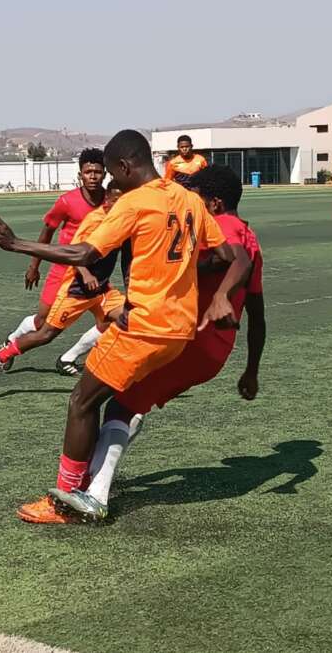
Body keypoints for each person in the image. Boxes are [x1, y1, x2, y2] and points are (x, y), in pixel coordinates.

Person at [0, 129, 250, 525]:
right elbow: (230, 255)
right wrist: (202, 284)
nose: (109, 182)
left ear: (124, 166)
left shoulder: (135, 203)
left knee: (81, 401)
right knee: (115, 403)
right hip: (179, 331)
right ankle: (92, 483)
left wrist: (17, 244)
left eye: (111, 173)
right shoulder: (187, 198)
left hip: (144, 327)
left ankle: (66, 500)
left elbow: (84, 252)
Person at [50, 164, 267, 522]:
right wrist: (251, 370)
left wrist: (219, 295)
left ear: (212, 203)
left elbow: (235, 261)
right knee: (129, 403)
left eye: (196, 196)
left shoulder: (223, 228)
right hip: (214, 353)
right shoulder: (251, 236)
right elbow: (257, 313)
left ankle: (95, 494)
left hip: (188, 338)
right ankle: (95, 481)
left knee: (112, 404)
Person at [0, 184, 127, 386]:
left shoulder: (122, 219)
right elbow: (73, 250)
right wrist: (85, 273)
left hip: (102, 289)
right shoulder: (94, 220)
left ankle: (72, 359)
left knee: (127, 318)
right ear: (108, 200)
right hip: (77, 290)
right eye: (116, 200)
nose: (120, 204)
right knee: (45, 333)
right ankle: (1, 355)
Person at [1, 148, 107, 376]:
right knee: (42, 321)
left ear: (105, 173)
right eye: (88, 171)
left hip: (96, 275)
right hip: (64, 270)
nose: (93, 176)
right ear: (80, 174)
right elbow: (47, 233)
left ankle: (68, 358)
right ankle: (12, 340)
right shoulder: (66, 202)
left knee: (111, 319)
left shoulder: (111, 201)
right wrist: (34, 266)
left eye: (97, 172)